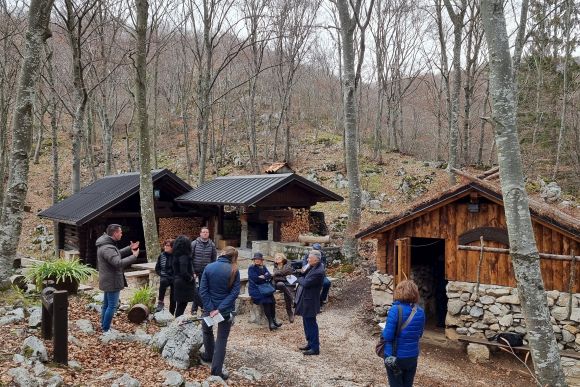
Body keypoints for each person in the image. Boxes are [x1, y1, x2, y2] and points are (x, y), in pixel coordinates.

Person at [199, 246, 241, 381]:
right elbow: (235, 293)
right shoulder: (234, 270)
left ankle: (209, 355)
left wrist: (211, 308)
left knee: (206, 331)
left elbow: (202, 290)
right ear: (234, 257)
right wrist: (220, 309)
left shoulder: (209, 267)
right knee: (221, 339)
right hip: (225, 310)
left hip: (209, 308)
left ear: (222, 254)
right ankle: (216, 371)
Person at [96, 224, 139, 332]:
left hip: (108, 280)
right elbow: (118, 263)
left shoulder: (106, 245)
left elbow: (116, 254)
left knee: (106, 305)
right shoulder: (107, 248)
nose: (121, 234)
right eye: (120, 232)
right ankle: (106, 329)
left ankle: (103, 325)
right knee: (111, 306)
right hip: (112, 281)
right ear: (115, 233)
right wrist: (134, 256)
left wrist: (129, 248)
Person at [382, 280, 425, 387]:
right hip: (412, 356)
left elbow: (388, 336)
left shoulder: (395, 310)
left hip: (395, 356)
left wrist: (384, 329)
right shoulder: (420, 311)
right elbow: (419, 334)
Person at [295, 249, 325, 355]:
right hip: (306, 299)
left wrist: (299, 279)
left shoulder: (319, 271)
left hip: (311, 300)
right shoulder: (313, 266)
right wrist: (305, 269)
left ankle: (315, 348)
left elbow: (306, 283)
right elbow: (303, 274)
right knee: (306, 323)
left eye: (309, 258)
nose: (307, 259)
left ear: (316, 260)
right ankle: (310, 343)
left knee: (311, 324)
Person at [248, 252, 281, 331]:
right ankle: (270, 323)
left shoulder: (263, 267)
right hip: (256, 289)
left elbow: (269, 275)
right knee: (266, 301)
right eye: (256, 259)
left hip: (265, 288)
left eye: (258, 259)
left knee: (272, 301)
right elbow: (255, 279)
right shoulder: (251, 268)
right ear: (254, 260)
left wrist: (264, 276)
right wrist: (264, 277)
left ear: (261, 260)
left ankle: (274, 320)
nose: (257, 261)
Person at [191, 227, 217, 314]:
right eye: (203, 232)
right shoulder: (194, 243)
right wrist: (192, 272)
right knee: (195, 290)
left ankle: (199, 309)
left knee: (203, 291)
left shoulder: (212, 245)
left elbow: (214, 259)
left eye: (207, 232)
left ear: (208, 234)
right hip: (195, 272)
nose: (205, 233)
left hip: (206, 272)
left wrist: (212, 271)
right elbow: (190, 259)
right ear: (200, 234)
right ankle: (196, 309)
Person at [172, 235, 195, 317]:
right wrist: (191, 278)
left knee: (180, 305)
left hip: (178, 281)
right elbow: (184, 271)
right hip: (184, 283)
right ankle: (177, 323)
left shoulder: (175, 255)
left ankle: (177, 322)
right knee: (182, 305)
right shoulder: (184, 257)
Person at [272, 252, 295, 323]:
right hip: (280, 283)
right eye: (276, 258)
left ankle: (290, 313)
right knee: (281, 284)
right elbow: (275, 278)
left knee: (287, 291)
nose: (277, 259)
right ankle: (292, 299)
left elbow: (288, 271)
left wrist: (279, 274)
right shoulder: (275, 266)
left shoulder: (288, 264)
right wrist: (284, 276)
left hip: (288, 283)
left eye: (279, 257)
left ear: (283, 258)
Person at [154, 239, 175, 314]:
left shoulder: (176, 256)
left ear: (172, 247)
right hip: (165, 276)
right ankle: (160, 302)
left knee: (173, 295)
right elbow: (157, 268)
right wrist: (162, 274)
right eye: (165, 245)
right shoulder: (161, 255)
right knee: (163, 281)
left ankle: (172, 311)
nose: (165, 247)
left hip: (174, 277)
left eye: (168, 245)